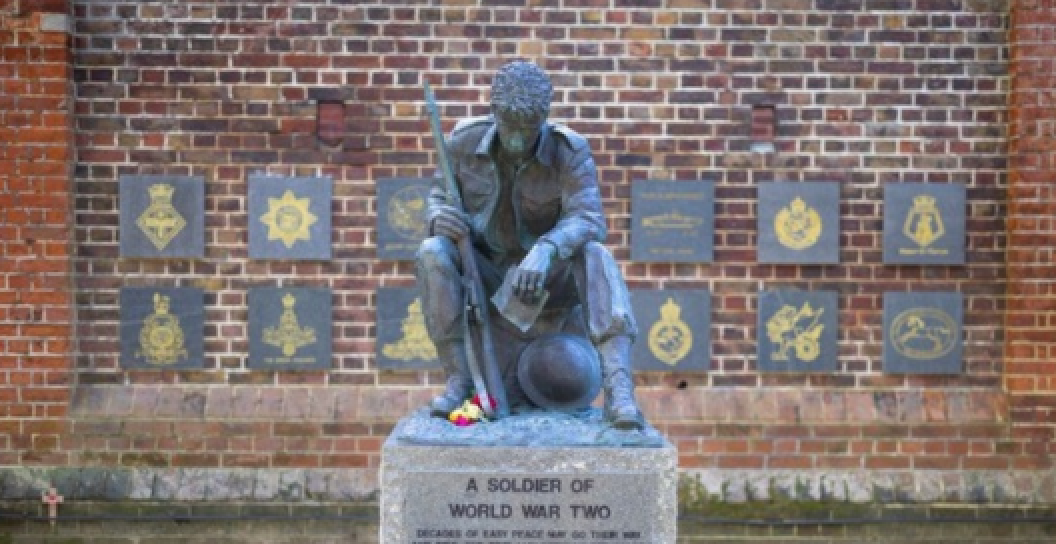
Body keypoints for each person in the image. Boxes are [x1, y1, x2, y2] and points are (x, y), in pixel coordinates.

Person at [416, 60, 643, 430]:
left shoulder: (569, 150)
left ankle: (619, 390)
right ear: (494, 114)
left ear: (545, 119)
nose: (519, 142)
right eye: (510, 130)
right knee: (431, 253)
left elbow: (590, 218)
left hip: (548, 278)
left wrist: (547, 248)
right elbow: (439, 199)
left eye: (528, 130)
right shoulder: (462, 142)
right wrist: (438, 219)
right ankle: (460, 380)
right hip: (488, 273)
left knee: (595, 255)